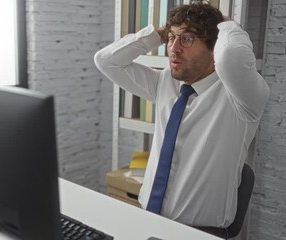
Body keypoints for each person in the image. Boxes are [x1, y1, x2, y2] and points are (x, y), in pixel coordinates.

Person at [94, 2, 270, 228]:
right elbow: (106, 61)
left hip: (199, 233)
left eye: (187, 39)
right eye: (171, 39)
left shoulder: (242, 98)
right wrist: (158, 35)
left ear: (214, 46)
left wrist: (227, 24)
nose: (174, 49)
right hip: (145, 219)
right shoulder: (164, 82)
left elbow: (231, 57)